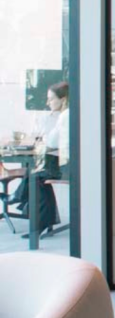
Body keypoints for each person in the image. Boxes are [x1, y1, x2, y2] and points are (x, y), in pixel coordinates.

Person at [7, 81, 70, 238]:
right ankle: (21, 199)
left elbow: (52, 142)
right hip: (70, 162)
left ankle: (19, 198)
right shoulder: (68, 113)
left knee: (35, 175)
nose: (48, 102)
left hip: (68, 167)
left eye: (51, 99)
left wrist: (43, 138)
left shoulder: (65, 116)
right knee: (36, 171)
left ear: (63, 99)